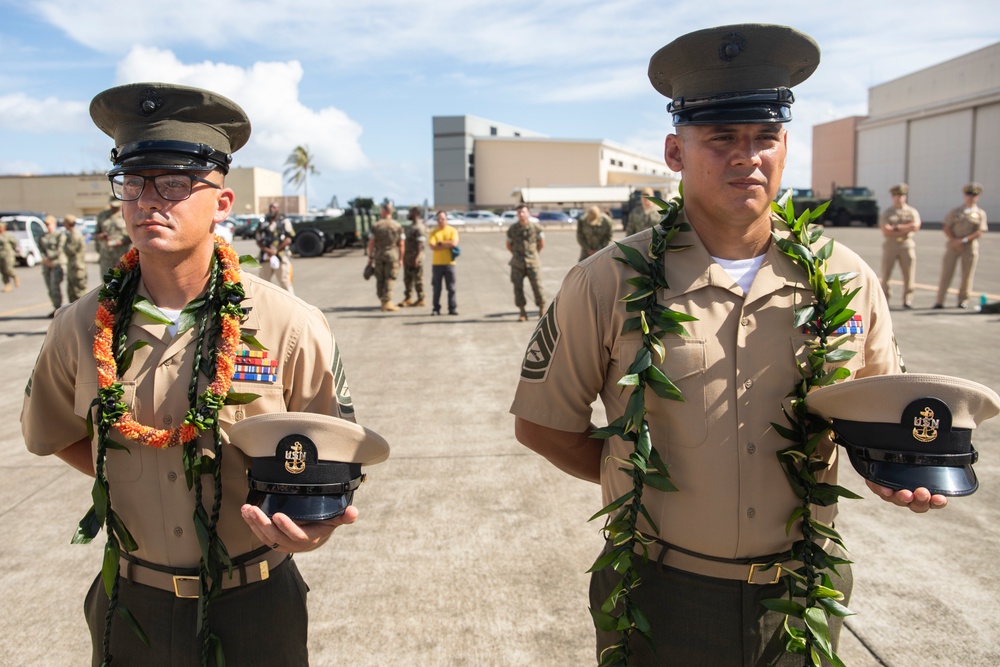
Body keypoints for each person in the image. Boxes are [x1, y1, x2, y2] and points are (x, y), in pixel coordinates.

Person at [510, 24, 941, 666]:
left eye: (764, 137)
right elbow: (544, 425)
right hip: (658, 595)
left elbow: (882, 412)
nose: (747, 157)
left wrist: (894, 470)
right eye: (721, 139)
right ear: (676, 152)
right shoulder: (608, 279)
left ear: (785, 144)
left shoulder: (845, 278)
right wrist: (636, 474)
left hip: (802, 595)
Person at [21, 82, 359, 667]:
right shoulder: (77, 326)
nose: (150, 200)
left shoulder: (292, 325)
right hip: (131, 607)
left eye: (176, 182)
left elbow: (333, 456)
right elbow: (61, 435)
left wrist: (316, 526)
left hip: (256, 604)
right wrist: (143, 474)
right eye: (133, 182)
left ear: (222, 203)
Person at [934, 182, 988, 309]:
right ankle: (940, 300)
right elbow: (946, 226)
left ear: (977, 197)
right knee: (946, 273)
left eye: (974, 194)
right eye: (968, 194)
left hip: (969, 247)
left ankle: (963, 300)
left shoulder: (980, 213)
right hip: (953, 245)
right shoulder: (955, 211)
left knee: (967, 275)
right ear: (964, 195)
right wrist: (954, 240)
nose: (971, 197)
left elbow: (980, 231)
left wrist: (964, 240)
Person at [879, 183, 921, 309]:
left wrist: (896, 227)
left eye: (901, 195)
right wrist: (906, 227)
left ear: (905, 196)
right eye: (896, 195)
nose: (899, 197)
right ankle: (885, 298)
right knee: (886, 274)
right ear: (892, 197)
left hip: (906, 244)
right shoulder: (887, 212)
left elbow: (915, 226)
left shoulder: (912, 211)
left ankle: (908, 299)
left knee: (909, 273)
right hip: (891, 244)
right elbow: (886, 230)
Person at [506, 203, 545, 321]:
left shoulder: (536, 228)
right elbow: (508, 244)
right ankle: (522, 312)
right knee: (518, 288)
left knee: (537, 287)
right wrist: (516, 255)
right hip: (517, 263)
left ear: (528, 213)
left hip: (532, 262)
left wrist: (534, 254)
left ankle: (542, 310)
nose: (521, 214)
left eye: (523, 212)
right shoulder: (512, 229)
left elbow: (541, 243)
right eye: (519, 212)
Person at [367, 202, 404, 311]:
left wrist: (370, 256)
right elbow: (401, 244)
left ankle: (383, 300)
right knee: (390, 277)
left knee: (380, 277)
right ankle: (387, 301)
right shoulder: (397, 225)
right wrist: (401, 258)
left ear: (383, 211)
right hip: (392, 254)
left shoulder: (376, 225)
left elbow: (371, 242)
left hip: (379, 254)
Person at [255, 201, 295, 293]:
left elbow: (289, 238)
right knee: (262, 284)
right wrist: (267, 250)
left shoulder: (284, 221)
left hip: (281, 256)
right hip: (265, 257)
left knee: (285, 283)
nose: (271, 209)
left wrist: (276, 250)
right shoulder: (264, 222)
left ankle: (291, 304)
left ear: (278, 209)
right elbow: (258, 240)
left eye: (274, 207)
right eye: (270, 207)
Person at [427, 210, 459, 316]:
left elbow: (454, 243)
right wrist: (446, 244)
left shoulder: (452, 231)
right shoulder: (433, 232)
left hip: (449, 263)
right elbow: (432, 246)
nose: (440, 221)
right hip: (437, 264)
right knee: (437, 288)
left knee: (451, 288)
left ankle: (452, 308)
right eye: (438, 219)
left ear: (446, 219)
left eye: (442, 218)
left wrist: (440, 243)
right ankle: (436, 308)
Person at [94, 195, 132, 278]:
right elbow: (96, 233)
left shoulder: (127, 214)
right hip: (106, 256)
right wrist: (100, 236)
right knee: (107, 284)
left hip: (122, 256)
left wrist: (122, 241)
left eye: (116, 206)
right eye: (112, 206)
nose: (114, 208)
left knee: (123, 282)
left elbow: (134, 235)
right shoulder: (102, 215)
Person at [38, 214, 67, 317]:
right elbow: (40, 249)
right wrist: (45, 259)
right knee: (49, 287)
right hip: (46, 264)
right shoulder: (42, 236)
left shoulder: (60, 235)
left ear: (54, 224)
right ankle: (55, 306)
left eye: (49, 224)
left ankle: (59, 309)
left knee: (55, 287)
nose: (47, 226)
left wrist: (50, 258)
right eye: (46, 224)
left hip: (57, 263)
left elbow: (60, 249)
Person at [398, 206, 427, 307]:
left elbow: (420, 244)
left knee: (418, 279)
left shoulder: (419, 227)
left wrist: (417, 257)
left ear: (415, 213)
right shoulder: (411, 226)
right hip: (408, 257)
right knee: (407, 279)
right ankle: (408, 298)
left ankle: (421, 298)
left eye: (410, 212)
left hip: (415, 257)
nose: (408, 214)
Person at [62, 214, 88, 302]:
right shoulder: (71, 234)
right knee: (72, 292)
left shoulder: (75, 235)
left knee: (79, 292)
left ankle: (83, 314)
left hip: (77, 267)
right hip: (73, 267)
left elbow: (69, 250)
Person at [0, 219, 19, 292]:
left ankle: (14, 276)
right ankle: (7, 284)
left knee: (8, 268)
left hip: (8, 255)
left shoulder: (8, 235)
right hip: (0, 255)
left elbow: (15, 243)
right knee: (3, 271)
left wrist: (12, 250)